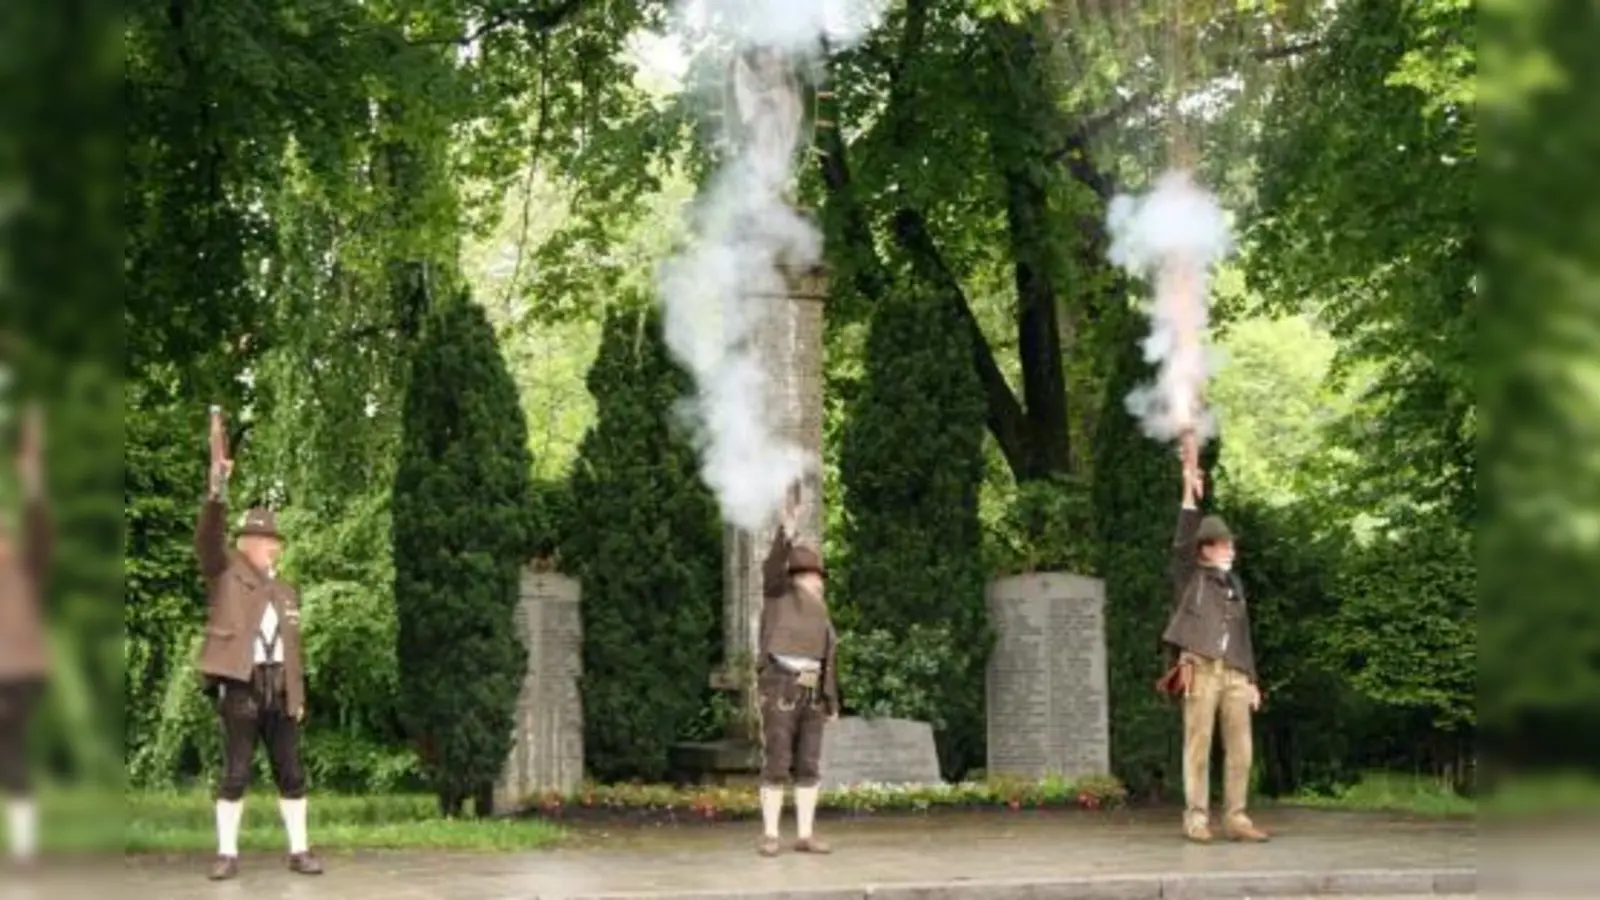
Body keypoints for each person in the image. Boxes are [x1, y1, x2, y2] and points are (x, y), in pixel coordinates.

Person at [195, 407, 323, 880]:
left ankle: (300, 851)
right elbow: (207, 537)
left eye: (271, 540)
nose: (269, 545)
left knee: (292, 773)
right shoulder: (224, 571)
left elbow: (293, 648)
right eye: (259, 538)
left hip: (281, 689)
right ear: (244, 542)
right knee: (236, 773)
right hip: (241, 686)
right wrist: (217, 489)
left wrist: (298, 697)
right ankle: (226, 854)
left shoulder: (287, 590)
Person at [1161, 435, 1269, 844]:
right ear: (1204, 550)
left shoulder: (1234, 584)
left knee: (1242, 749)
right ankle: (1196, 818)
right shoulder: (1190, 575)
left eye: (1230, 544)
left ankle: (1237, 818)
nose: (1230, 549)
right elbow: (1182, 540)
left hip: (1235, 673)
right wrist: (1189, 490)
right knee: (1198, 746)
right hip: (1201, 669)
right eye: (1222, 545)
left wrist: (1252, 680)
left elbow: (1243, 636)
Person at [754, 486, 840, 857]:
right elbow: (773, 566)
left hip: (811, 691)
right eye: (814, 575)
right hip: (781, 685)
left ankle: (805, 835)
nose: (820, 580)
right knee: (777, 762)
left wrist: (830, 701)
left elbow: (827, 658)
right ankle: (771, 835)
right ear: (799, 576)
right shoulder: (779, 592)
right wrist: (787, 530)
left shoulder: (821, 613)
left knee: (809, 764)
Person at [0, 407, 50, 865]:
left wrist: (32, 478)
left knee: (11, 755)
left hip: (15, 676)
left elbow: (39, 529)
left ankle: (24, 848)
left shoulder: (25, 570)